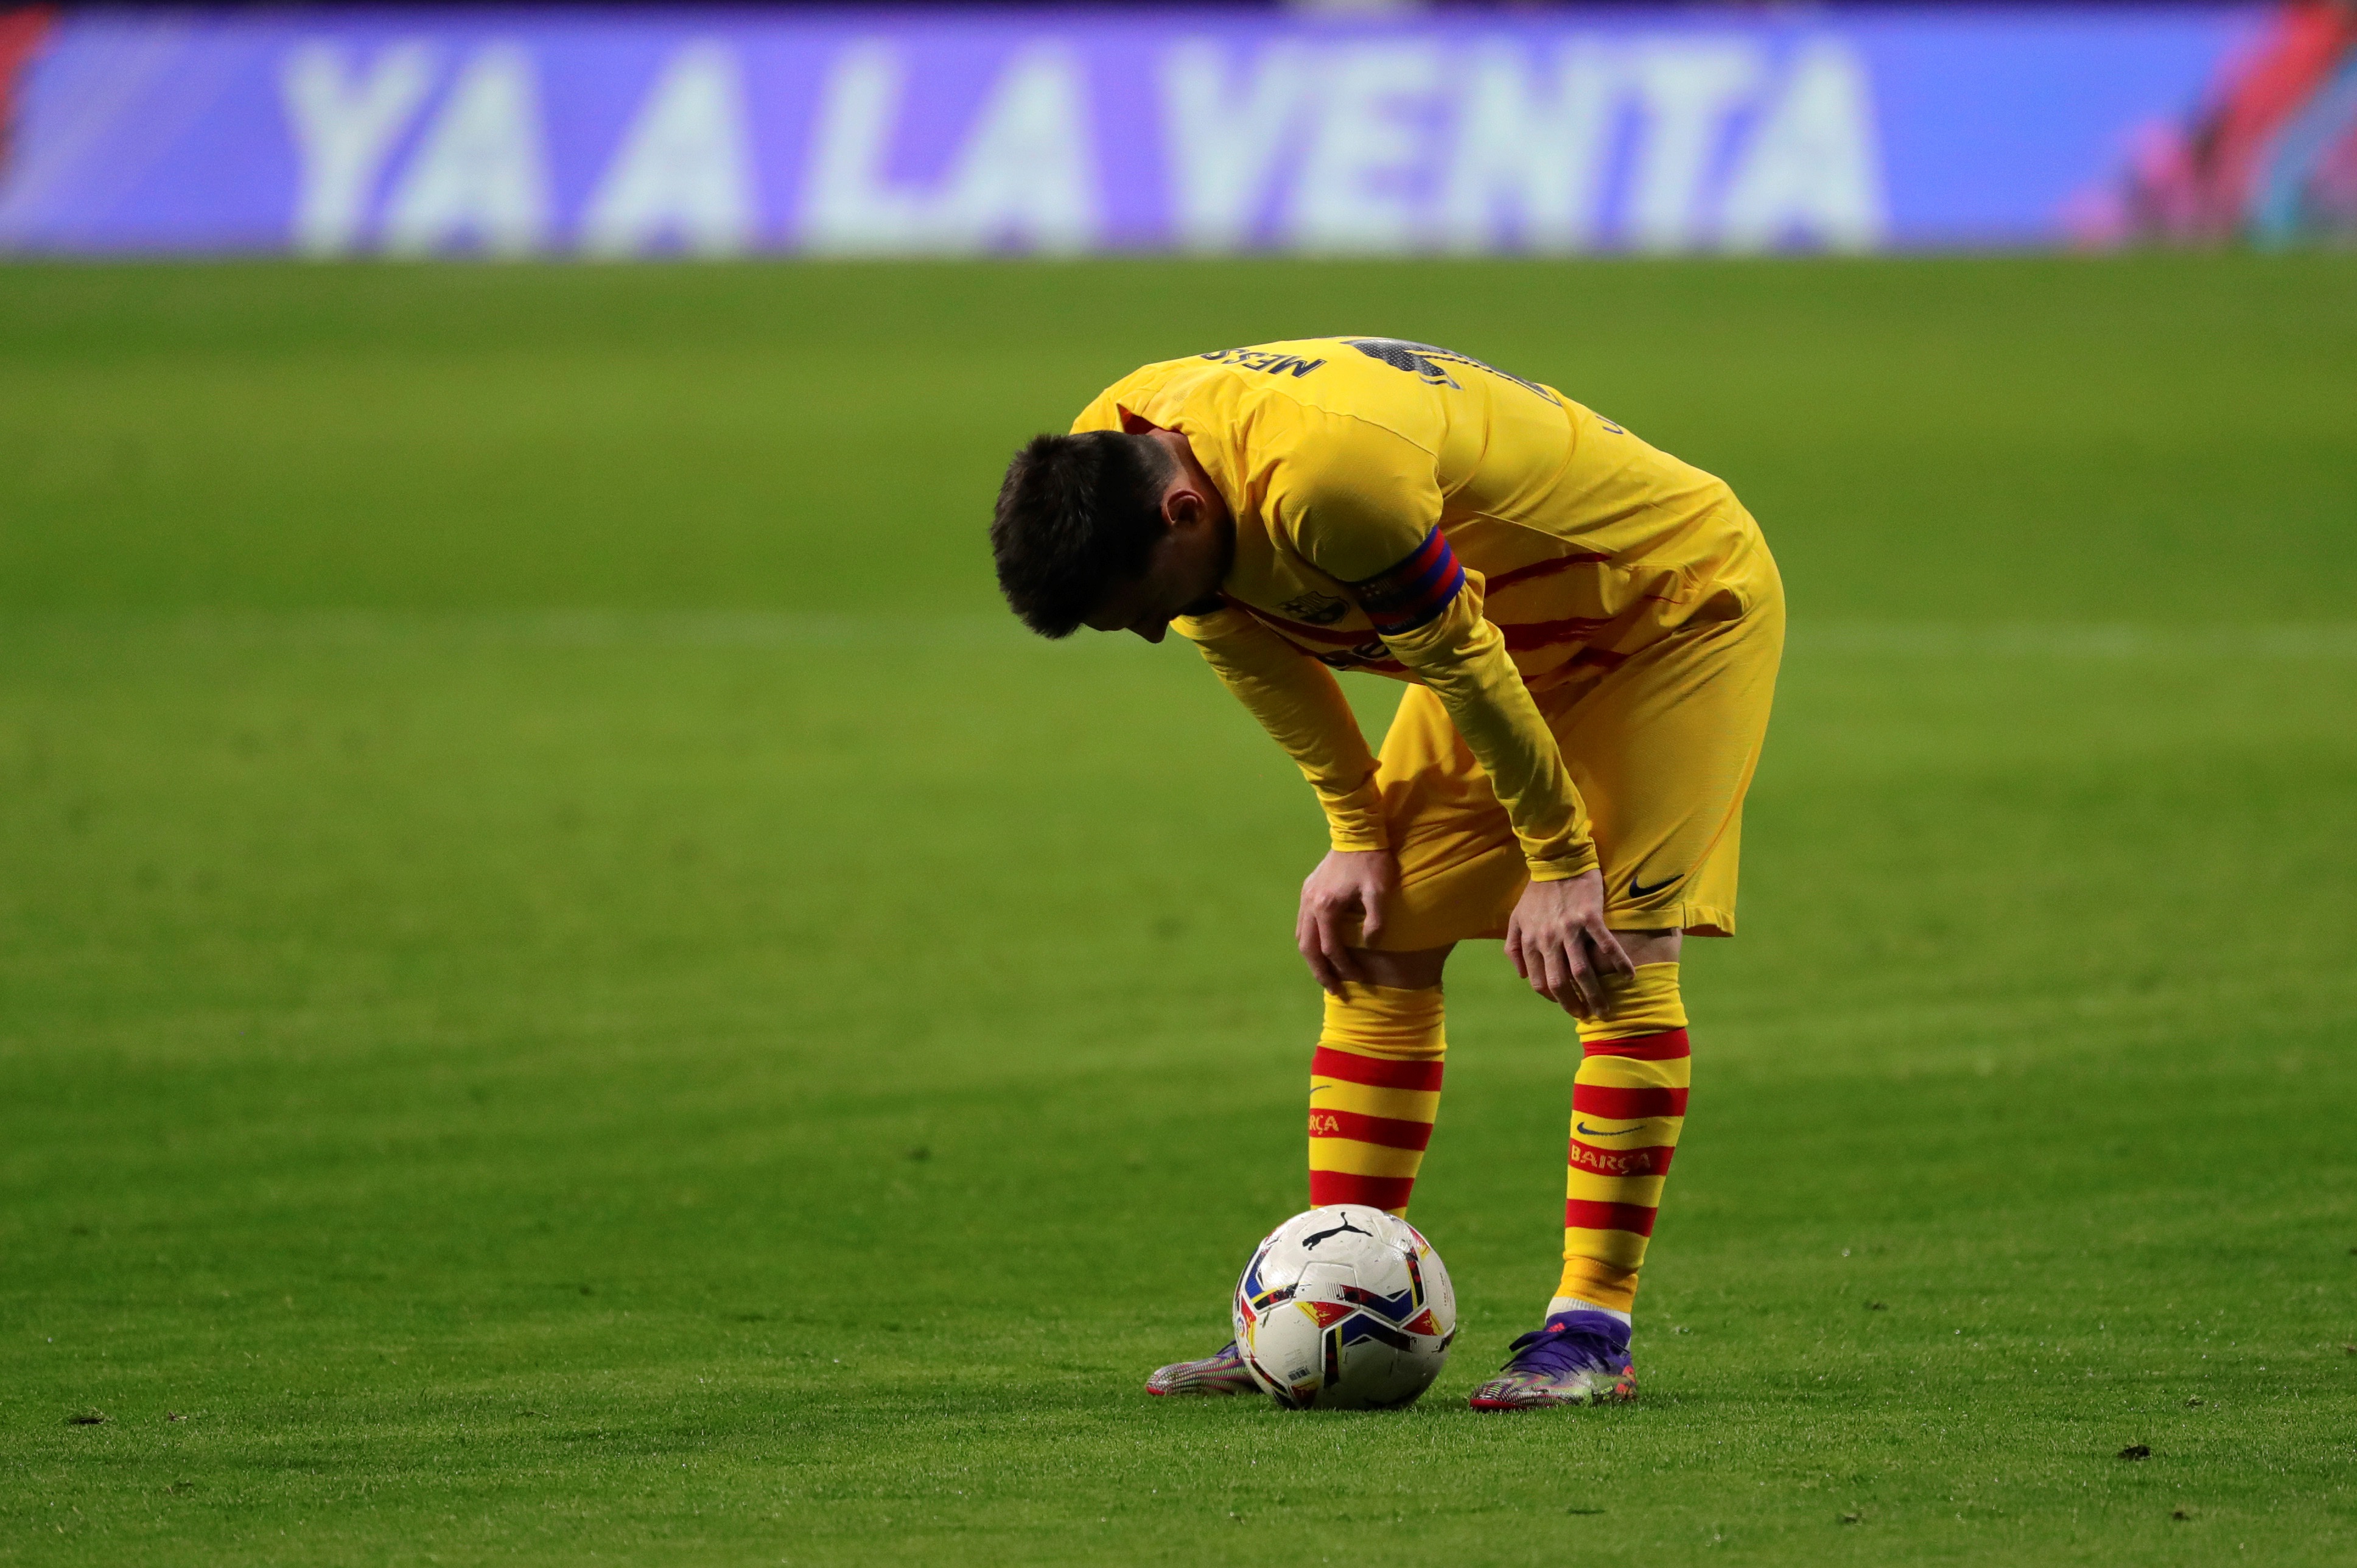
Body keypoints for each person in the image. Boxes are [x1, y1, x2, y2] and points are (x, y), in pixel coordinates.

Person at [989, 338, 1782, 1410]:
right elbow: (1241, 639)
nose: (1143, 634)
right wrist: (1356, 831)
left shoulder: (1330, 481)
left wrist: (1559, 861)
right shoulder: (1117, 447)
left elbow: (1459, 661)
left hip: (1667, 606)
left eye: (1135, 605)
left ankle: (1593, 1330)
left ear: (1182, 512)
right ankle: (1316, 1305)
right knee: (1369, 934)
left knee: (1614, 954)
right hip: (1510, 632)